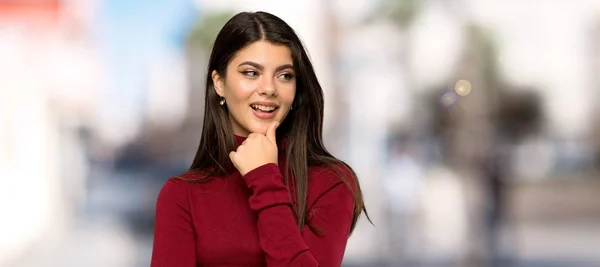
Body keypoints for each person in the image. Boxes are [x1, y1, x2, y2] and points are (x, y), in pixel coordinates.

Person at [150, 11, 369, 267]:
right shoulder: (181, 195)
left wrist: (264, 178)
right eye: (251, 73)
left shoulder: (332, 182)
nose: (269, 88)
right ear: (219, 83)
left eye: (285, 75)